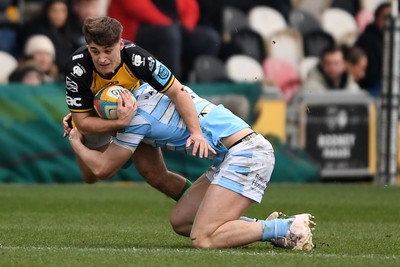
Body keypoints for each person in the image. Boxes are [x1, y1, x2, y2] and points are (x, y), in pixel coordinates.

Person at [68, 82, 316, 250]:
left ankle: (287, 228)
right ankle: (264, 227)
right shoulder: (147, 91)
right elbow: (148, 173)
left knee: (203, 238)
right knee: (182, 220)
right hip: (232, 154)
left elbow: (99, 171)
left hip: (248, 152)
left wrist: (76, 142)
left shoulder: (135, 120)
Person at [63, 16, 213, 200]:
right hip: (100, 115)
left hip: (135, 111)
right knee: (90, 176)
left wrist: (195, 132)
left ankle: (200, 210)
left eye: (108, 50)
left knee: (155, 175)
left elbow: (178, 92)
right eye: (94, 51)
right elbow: (83, 123)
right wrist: (116, 124)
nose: (101, 59)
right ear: (88, 47)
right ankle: (111, 145)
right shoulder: (77, 68)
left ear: (120, 44)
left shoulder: (137, 58)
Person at [107, 0, 221, 81]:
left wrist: (187, 25)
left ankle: (195, 79)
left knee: (209, 38)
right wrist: (169, 23)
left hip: (175, 27)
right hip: (138, 29)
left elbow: (191, 5)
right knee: (170, 35)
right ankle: (171, 83)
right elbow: (135, 6)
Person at [354, 2, 392, 96]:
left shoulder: (393, 38)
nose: (389, 22)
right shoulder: (367, 39)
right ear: (376, 18)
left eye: (391, 19)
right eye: (385, 18)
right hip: (372, 86)